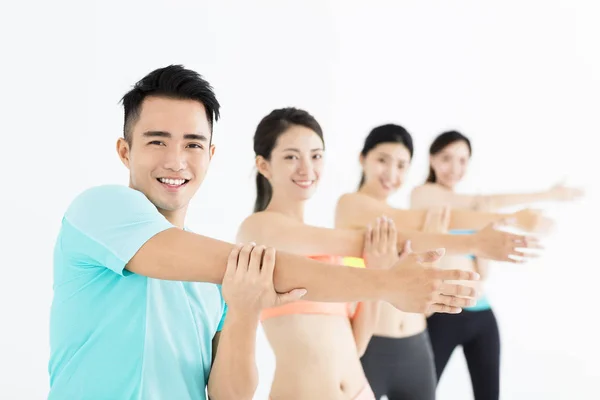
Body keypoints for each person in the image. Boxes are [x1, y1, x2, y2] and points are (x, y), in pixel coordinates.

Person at [48, 65, 484, 400]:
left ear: (211, 154)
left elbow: (229, 394)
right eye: (157, 141)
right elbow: (259, 263)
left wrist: (242, 310)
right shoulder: (101, 209)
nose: (177, 160)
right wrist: (384, 282)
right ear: (125, 151)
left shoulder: (221, 280)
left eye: (193, 144)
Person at [236, 109, 544, 399]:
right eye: (291, 156)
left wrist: (381, 271)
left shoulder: (328, 247)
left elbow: (355, 344)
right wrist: (474, 240)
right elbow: (374, 239)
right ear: (263, 165)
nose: (307, 168)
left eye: (316, 156)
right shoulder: (259, 230)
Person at [334, 124, 551, 400]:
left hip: (417, 345)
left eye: (402, 166)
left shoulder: (404, 217)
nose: (391, 173)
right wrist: (509, 219)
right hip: (372, 344)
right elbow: (445, 219)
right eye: (382, 160)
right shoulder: (351, 205)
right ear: (362, 158)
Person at [410, 130, 583, 400]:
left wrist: (485, 243)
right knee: (421, 393)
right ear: (431, 159)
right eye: (446, 158)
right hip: (443, 314)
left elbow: (483, 273)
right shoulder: (423, 197)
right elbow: (483, 202)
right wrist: (543, 195)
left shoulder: (474, 210)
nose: (454, 168)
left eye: (462, 160)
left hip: (482, 315)